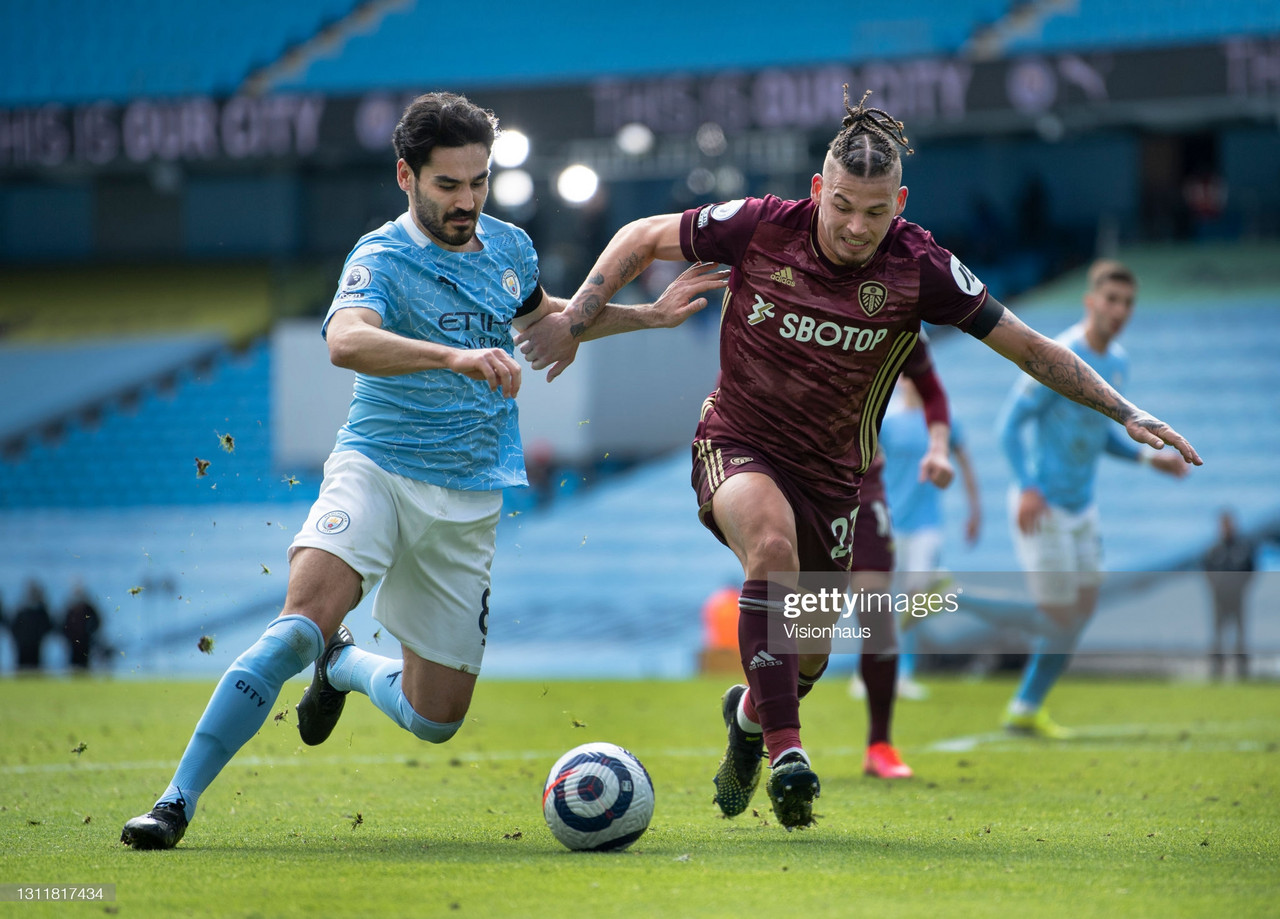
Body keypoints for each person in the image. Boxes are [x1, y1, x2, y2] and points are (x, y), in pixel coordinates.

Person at [516, 87, 1200, 830]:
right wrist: (577, 320)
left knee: (804, 660)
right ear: (818, 188)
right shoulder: (761, 226)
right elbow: (644, 236)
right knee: (769, 545)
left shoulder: (922, 268)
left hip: (835, 481)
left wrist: (1125, 409)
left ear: (899, 203)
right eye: (842, 204)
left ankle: (749, 721)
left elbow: (1030, 347)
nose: (855, 226)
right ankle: (787, 756)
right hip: (737, 441)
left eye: (876, 212)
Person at [121, 92, 726, 850]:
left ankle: (344, 668)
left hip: (469, 496)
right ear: (406, 176)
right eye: (449, 184)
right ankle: (175, 801)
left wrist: (650, 315)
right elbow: (345, 341)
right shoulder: (381, 257)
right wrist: (454, 356)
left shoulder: (509, 248)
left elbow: (544, 321)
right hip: (375, 469)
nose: (467, 199)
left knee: (435, 720)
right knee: (293, 632)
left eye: (479, 181)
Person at [995, 258, 1190, 739]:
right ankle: (951, 599)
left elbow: (1097, 436)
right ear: (1091, 302)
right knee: (1061, 615)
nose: (1119, 310)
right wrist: (1028, 487)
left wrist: (1150, 460)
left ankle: (1025, 706)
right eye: (1111, 300)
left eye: (1127, 303)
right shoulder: (1059, 355)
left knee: (1081, 608)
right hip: (1046, 503)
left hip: (1082, 505)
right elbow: (1008, 427)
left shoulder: (1117, 363)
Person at [846, 339, 973, 780]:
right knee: (811, 632)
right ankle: (761, 723)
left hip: (909, 518)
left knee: (891, 603)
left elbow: (959, 449)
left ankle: (880, 736)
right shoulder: (892, 420)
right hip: (837, 495)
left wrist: (972, 504)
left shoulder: (901, 331)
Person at [1203, 509, 1255, 680]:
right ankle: (1217, 670)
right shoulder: (1214, 549)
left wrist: (1239, 586)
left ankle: (1242, 671)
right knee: (1218, 633)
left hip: (1237, 597)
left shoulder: (1242, 548)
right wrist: (1217, 587)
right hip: (1219, 598)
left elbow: (1250, 570)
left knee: (1240, 633)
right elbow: (1207, 571)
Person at [12, 579, 52, 672]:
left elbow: (48, 626)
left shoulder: (41, 612)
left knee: (35, 669)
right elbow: (14, 627)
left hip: (36, 645)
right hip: (23, 645)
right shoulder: (22, 611)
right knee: (23, 669)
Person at [61, 581, 102, 671]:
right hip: (73, 642)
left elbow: (97, 622)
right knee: (73, 663)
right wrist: (68, 636)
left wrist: (90, 633)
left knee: (85, 662)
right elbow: (64, 624)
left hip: (85, 641)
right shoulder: (70, 609)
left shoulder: (88, 608)